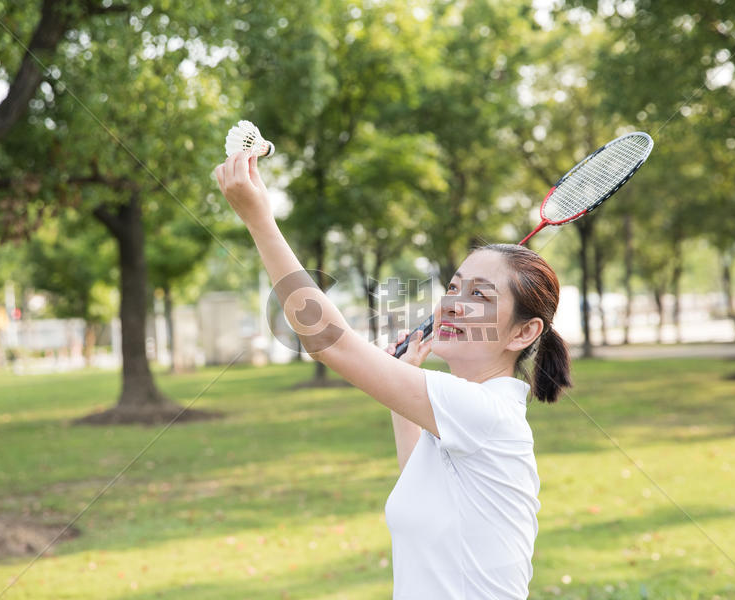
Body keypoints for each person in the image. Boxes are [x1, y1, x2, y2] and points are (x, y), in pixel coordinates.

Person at [215, 152, 573, 599]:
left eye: (479, 295)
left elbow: (329, 341)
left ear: (523, 332)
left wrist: (258, 218)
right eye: (453, 287)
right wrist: (401, 382)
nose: (452, 305)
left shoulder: (486, 416)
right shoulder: (454, 423)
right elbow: (419, 486)